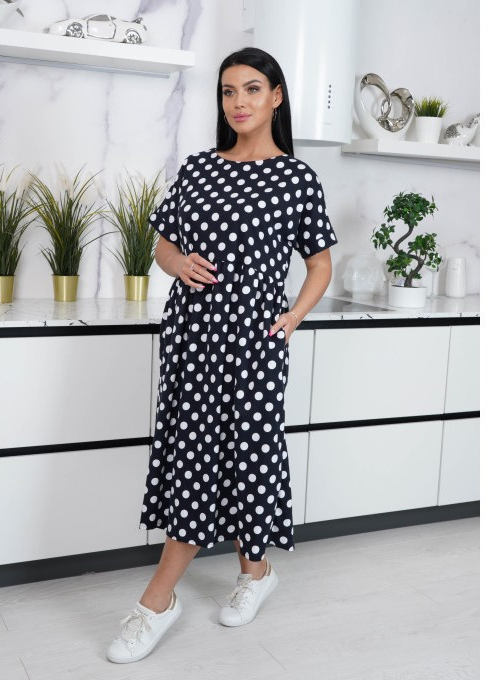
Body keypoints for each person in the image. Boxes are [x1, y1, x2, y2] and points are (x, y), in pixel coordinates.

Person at [106, 46, 338, 664]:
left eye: (252, 89)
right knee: (194, 455)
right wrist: (176, 263)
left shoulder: (296, 179)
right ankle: (253, 573)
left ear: (276, 97)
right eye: (229, 91)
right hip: (191, 339)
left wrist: (293, 316)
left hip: (256, 344)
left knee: (247, 455)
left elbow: (319, 265)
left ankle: (159, 600)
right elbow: (163, 244)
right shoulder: (199, 169)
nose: (238, 102)